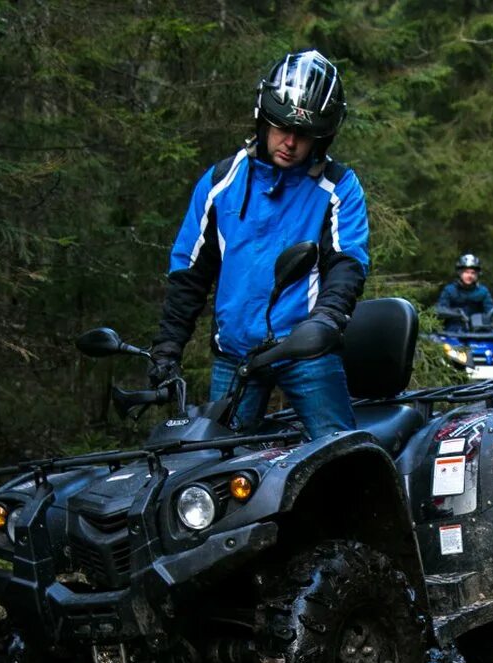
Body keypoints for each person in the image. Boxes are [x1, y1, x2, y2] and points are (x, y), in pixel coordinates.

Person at [148, 50, 369, 440]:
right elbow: (190, 271)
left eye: (305, 134)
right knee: (217, 468)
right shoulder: (221, 182)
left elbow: (347, 262)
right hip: (236, 355)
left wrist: (328, 319)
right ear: (263, 119)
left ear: (323, 136)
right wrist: (167, 348)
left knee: (340, 457)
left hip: (307, 351)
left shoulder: (339, 187)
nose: (290, 142)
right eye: (281, 127)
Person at [437, 253, 493, 332]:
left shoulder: (483, 291)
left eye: (473, 273)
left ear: (477, 275)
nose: (470, 276)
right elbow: (440, 309)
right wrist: (456, 313)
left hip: (479, 331)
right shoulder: (449, 290)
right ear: (460, 273)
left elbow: (490, 309)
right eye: (466, 272)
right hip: (453, 332)